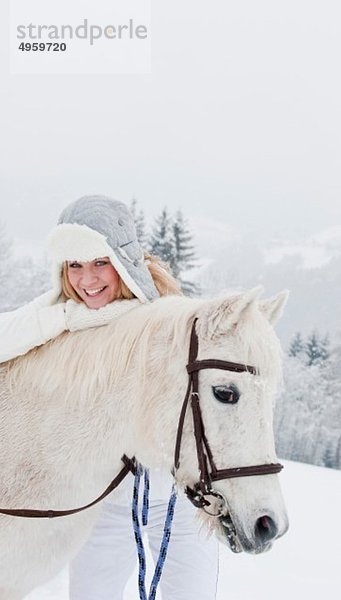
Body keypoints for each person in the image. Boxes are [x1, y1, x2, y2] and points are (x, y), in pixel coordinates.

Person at [0, 195, 219, 600]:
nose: (88, 279)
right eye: (75, 265)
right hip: (104, 504)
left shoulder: (168, 323)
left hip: (176, 501)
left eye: (100, 262)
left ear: (123, 260)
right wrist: (64, 318)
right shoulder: (64, 317)